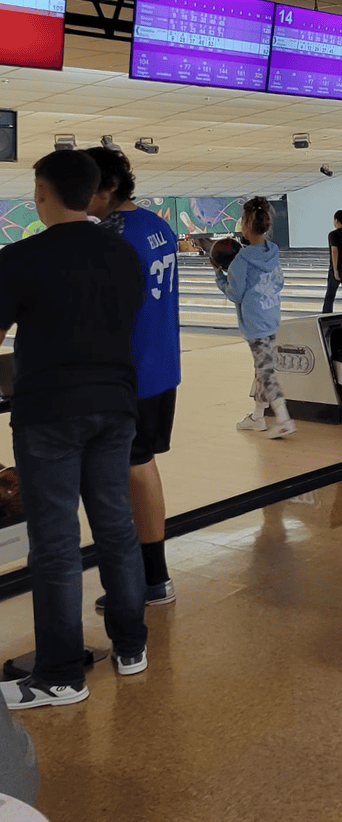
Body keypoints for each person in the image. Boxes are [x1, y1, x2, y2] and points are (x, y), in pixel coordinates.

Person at [0, 151, 147, 709]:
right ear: (92, 195)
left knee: (57, 544)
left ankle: (61, 676)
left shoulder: (17, 258)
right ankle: (131, 647)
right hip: (115, 407)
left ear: (41, 192)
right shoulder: (122, 254)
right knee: (115, 527)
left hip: (49, 415)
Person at [85, 146, 180, 610]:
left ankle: (147, 581)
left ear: (107, 189)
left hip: (130, 375)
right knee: (142, 469)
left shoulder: (111, 236)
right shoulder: (158, 226)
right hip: (161, 368)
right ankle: (152, 575)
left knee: (130, 474)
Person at [213, 197, 295, 437]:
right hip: (271, 316)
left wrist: (220, 276)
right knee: (261, 368)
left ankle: (283, 418)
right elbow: (279, 283)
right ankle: (258, 417)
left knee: (265, 370)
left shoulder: (241, 261)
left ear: (245, 226)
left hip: (255, 324)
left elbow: (235, 294)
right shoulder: (273, 252)